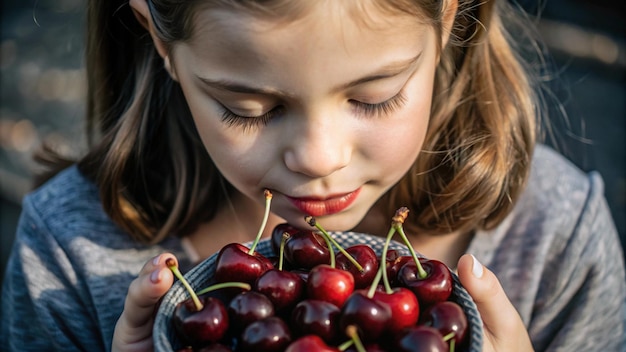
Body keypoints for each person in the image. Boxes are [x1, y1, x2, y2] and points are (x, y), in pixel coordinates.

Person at [1, 0, 624, 351]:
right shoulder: (68, 257)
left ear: (448, 20)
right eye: (250, 109)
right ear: (161, 43)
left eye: (375, 97)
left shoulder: (557, 240)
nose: (319, 159)